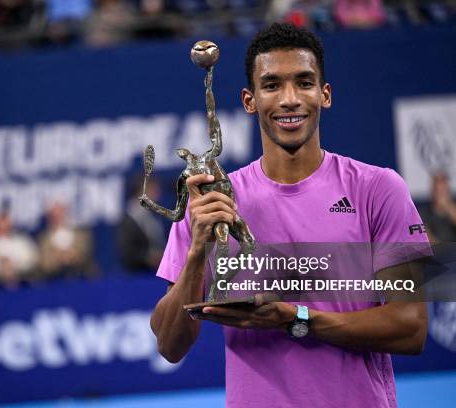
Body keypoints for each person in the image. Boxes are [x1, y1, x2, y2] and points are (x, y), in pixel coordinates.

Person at [150, 23, 429, 408]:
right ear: (250, 100)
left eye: (304, 82)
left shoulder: (378, 189)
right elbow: (168, 344)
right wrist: (197, 251)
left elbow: (411, 327)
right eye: (272, 85)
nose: (290, 99)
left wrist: (293, 319)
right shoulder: (211, 201)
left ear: (325, 94)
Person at [117, 176, 166, 272]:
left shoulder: (154, 215)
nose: (158, 192)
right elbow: (127, 252)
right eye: (153, 189)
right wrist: (147, 258)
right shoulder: (129, 218)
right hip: (137, 276)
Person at [37, 202, 96, 280]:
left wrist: (73, 255)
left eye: (60, 214)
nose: (58, 218)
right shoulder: (44, 239)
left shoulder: (80, 233)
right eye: (54, 216)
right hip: (54, 277)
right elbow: (44, 262)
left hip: (80, 272)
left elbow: (86, 251)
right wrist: (57, 258)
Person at [419, 171, 456, 242]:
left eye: (443, 191)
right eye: (438, 191)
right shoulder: (424, 214)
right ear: (432, 192)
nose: (441, 195)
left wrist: (450, 209)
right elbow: (426, 239)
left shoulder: (453, 210)